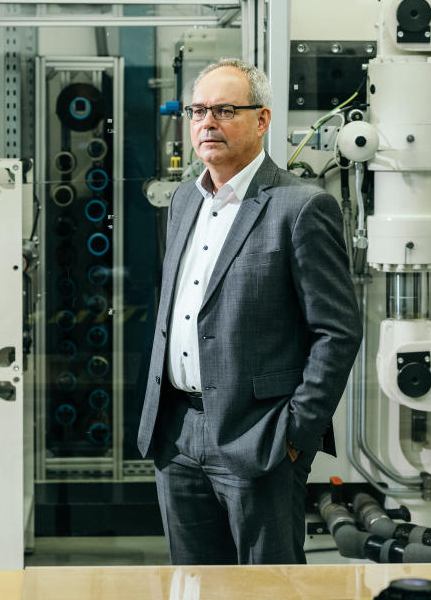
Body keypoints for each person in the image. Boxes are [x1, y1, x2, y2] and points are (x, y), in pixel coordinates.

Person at [137, 58, 361, 565]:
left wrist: (294, 435)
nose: (206, 123)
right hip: (177, 435)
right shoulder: (183, 203)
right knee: (195, 596)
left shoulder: (300, 207)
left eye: (224, 110)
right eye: (197, 111)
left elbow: (338, 332)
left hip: (258, 438)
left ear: (262, 120)